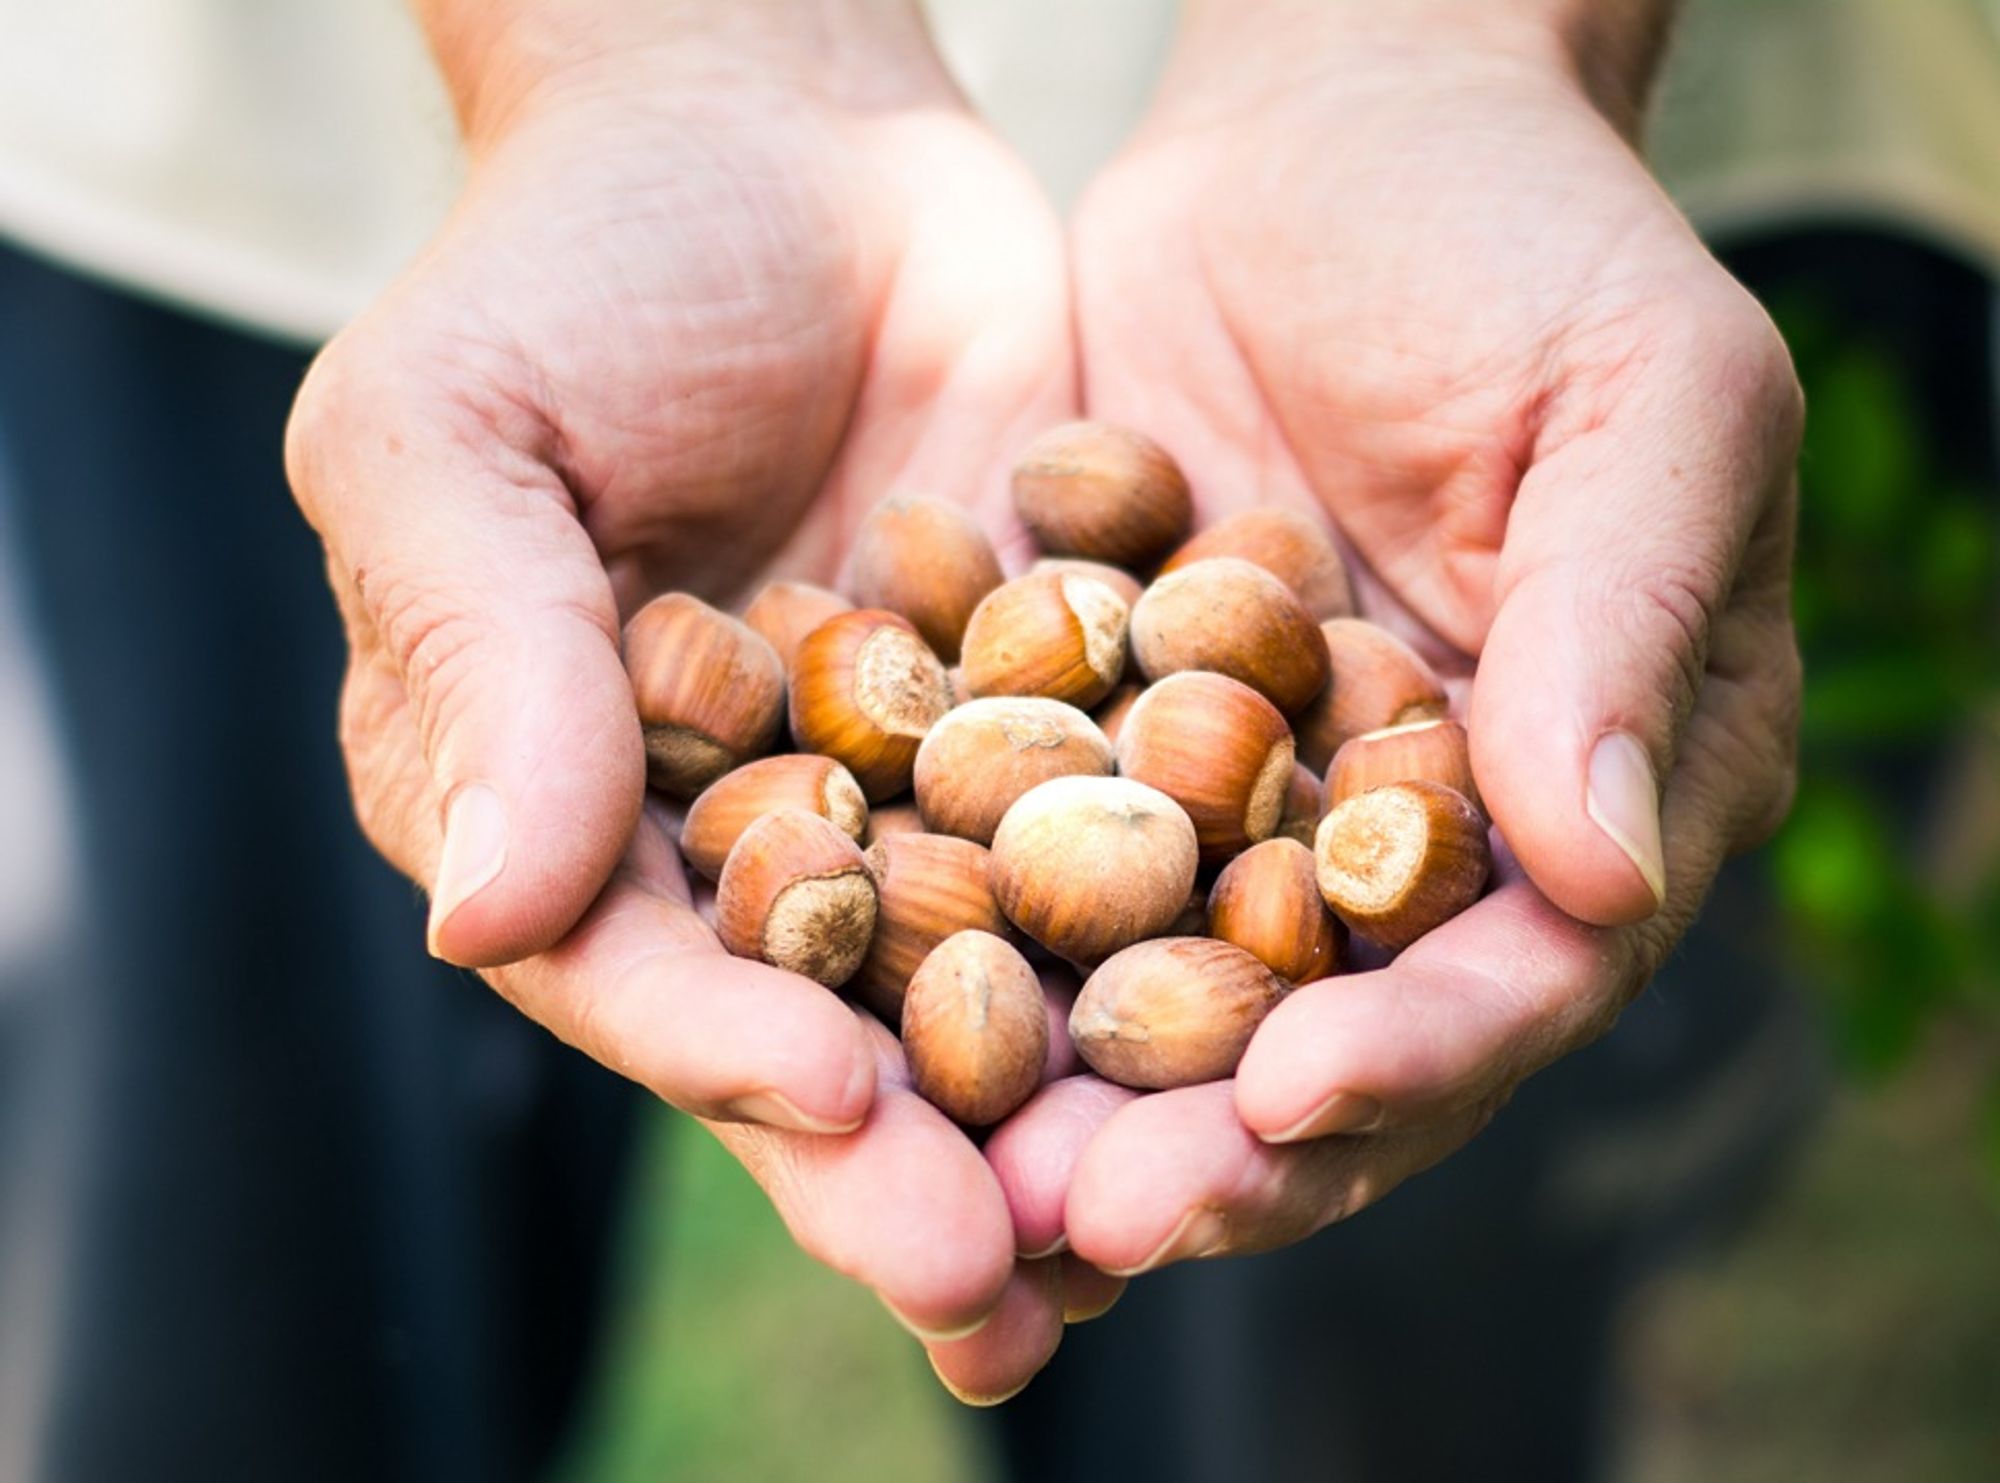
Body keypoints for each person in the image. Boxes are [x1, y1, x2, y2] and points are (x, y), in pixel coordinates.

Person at [1, 0, 1823, 1477]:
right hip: (299, 190)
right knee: (238, 1312)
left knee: (1338, 1406)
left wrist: (1437, 49)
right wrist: (654, 51)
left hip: (1445, 363)